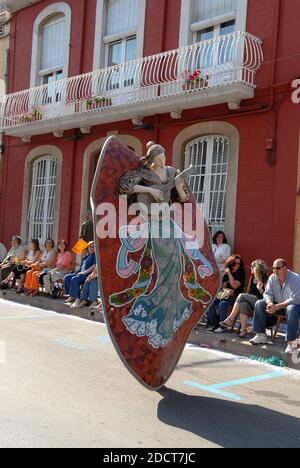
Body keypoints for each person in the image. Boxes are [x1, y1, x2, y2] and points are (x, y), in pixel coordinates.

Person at [250, 259, 300, 354]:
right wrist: (269, 303)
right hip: (279, 306)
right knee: (259, 303)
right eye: (273, 268)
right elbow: (267, 293)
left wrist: (276, 307)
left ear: (285, 268)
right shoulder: (272, 277)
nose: (274, 270)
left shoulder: (295, 278)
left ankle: (291, 343)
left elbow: (295, 299)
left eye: (277, 268)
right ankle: (261, 335)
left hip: (295, 307)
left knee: (291, 308)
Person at [217, 259, 268, 337]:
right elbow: (247, 292)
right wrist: (245, 299)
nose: (250, 269)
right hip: (251, 300)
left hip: (260, 301)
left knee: (241, 295)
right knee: (243, 304)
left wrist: (260, 289)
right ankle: (243, 330)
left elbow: (268, 295)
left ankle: (230, 319)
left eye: (252, 267)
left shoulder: (265, 278)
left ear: (256, 268)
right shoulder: (252, 278)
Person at [207, 254, 246, 331]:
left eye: (238, 263)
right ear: (231, 263)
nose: (236, 265)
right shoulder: (225, 274)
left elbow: (234, 286)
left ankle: (223, 326)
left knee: (223, 304)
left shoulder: (241, 274)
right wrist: (227, 290)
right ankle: (211, 324)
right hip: (225, 295)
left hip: (236, 297)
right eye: (235, 263)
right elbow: (223, 287)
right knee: (213, 301)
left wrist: (229, 274)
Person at [64, 241, 96, 307]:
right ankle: (71, 296)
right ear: (88, 248)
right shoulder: (85, 257)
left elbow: (93, 267)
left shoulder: (95, 256)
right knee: (67, 277)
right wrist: (77, 272)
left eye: (93, 246)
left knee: (74, 279)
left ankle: (77, 299)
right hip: (81, 273)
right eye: (90, 246)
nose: (92, 248)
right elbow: (81, 267)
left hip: (87, 275)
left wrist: (84, 272)